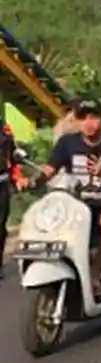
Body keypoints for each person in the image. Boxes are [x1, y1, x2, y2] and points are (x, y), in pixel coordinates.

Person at [41, 100, 101, 297]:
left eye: (93, 117)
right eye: (82, 118)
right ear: (76, 121)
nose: (88, 123)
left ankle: (94, 276)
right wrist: (33, 180)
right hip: (76, 205)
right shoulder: (67, 143)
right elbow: (50, 170)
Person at [0, 115, 28, 278]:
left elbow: (13, 156)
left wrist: (17, 177)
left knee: (0, 224)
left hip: (1, 182)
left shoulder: (5, 129)